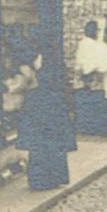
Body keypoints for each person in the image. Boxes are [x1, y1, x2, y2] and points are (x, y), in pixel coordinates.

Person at [17, 56, 77, 190]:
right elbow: (63, 117)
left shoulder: (33, 95)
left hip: (39, 133)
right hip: (51, 133)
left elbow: (26, 116)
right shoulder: (56, 96)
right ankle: (53, 179)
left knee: (39, 156)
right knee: (52, 154)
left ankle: (39, 181)